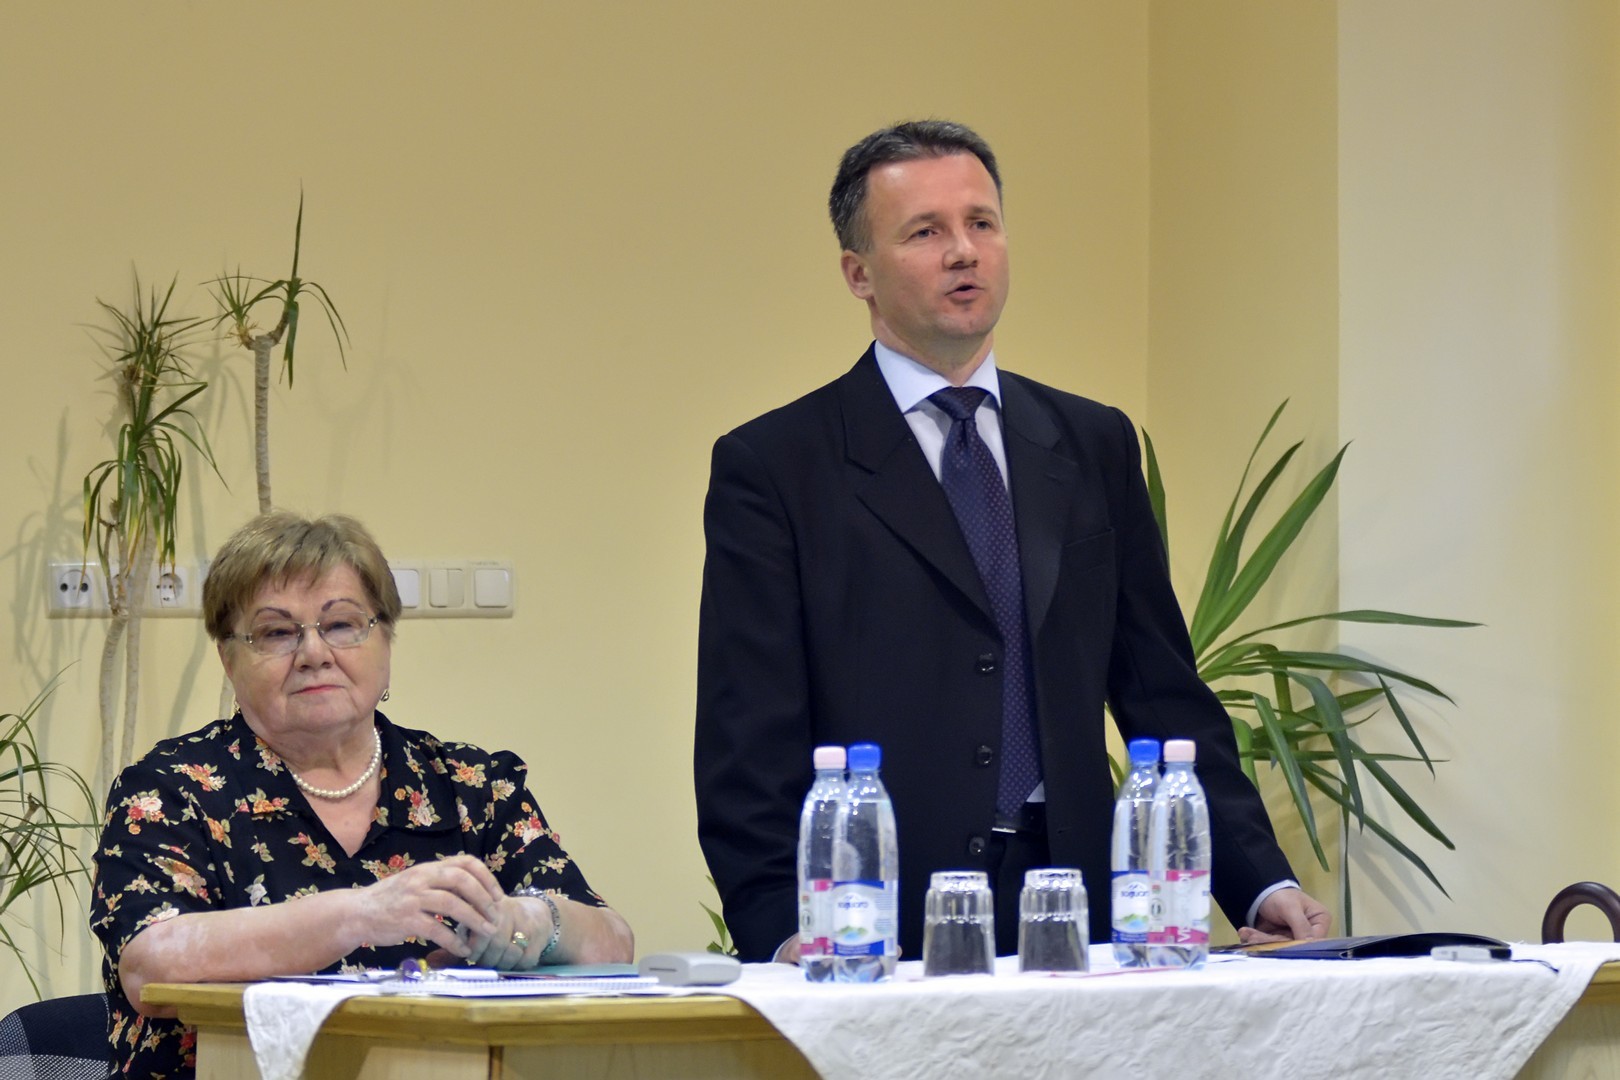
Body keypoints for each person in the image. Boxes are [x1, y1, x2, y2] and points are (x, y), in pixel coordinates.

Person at [693, 119, 1332, 963]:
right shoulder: (778, 465)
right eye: (926, 232)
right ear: (859, 273)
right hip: (873, 917)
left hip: (1077, 902)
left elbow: (1162, 690)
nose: (964, 251)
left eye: (981, 223)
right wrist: (781, 929)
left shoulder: (1092, 443)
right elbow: (747, 738)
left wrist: (1260, 882)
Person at [90, 512, 633, 1077]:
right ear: (229, 660)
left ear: (386, 641)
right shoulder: (171, 789)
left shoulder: (470, 786)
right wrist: (363, 914)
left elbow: (612, 942)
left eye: (342, 624)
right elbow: (151, 964)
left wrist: (533, 923)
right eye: (276, 633)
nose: (314, 653)